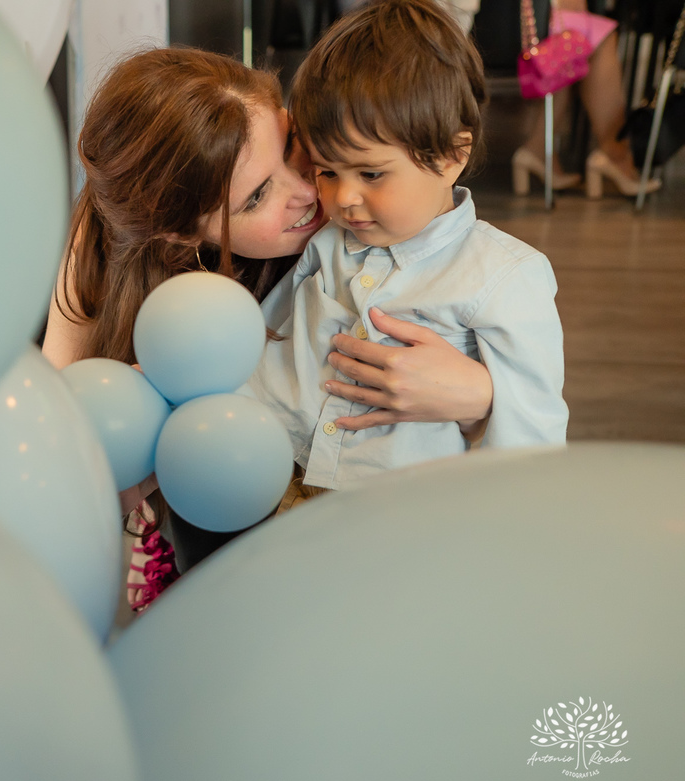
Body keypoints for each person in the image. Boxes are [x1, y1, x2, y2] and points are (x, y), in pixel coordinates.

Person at [42, 47, 495, 608]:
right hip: (235, 551)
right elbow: (56, 460)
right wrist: (124, 460)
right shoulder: (109, 249)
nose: (309, 192)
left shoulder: (367, 207)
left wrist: (479, 395)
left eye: (291, 149)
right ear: (183, 236)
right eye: (257, 196)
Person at [252, 0, 568, 498]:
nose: (345, 198)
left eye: (371, 173)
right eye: (327, 172)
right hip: (287, 480)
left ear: (450, 156)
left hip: (410, 505)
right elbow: (270, 342)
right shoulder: (327, 242)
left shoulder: (504, 276)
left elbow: (532, 432)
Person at [510, 0, 662, 198]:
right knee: (593, 38)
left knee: (572, 49)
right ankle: (615, 153)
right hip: (526, 25)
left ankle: (538, 148)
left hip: (492, 23)